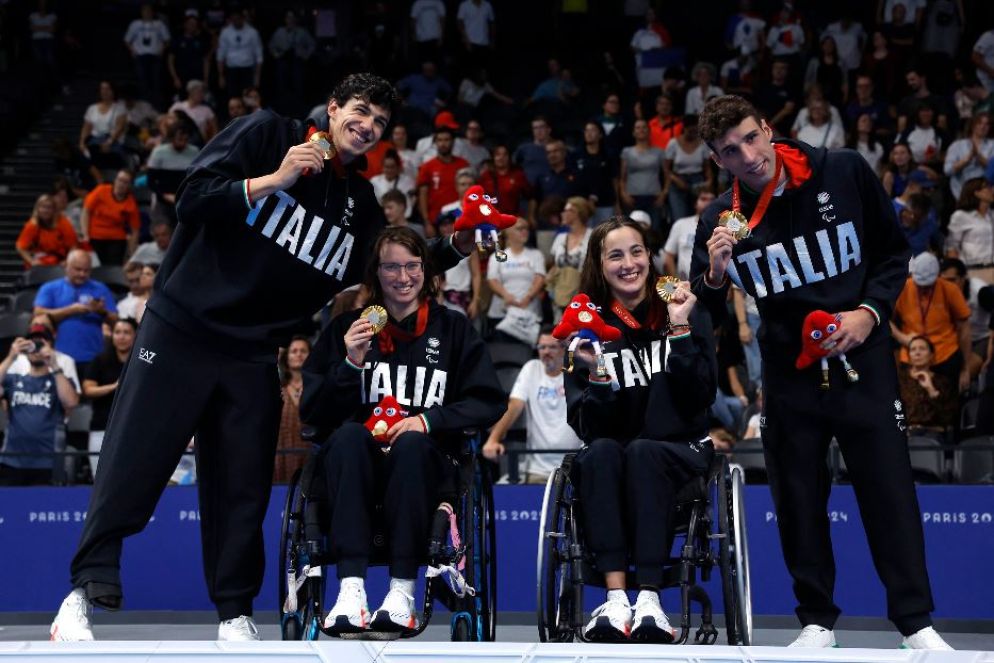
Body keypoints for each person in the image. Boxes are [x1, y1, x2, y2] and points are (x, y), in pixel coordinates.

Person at [49, 73, 474, 643]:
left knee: (242, 488)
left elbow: (398, 264)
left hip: (253, 355)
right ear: (331, 107)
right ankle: (80, 596)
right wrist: (276, 179)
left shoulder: (359, 203)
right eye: (360, 111)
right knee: (133, 464)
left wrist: (460, 245)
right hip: (181, 331)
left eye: (378, 122)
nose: (367, 126)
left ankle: (233, 613)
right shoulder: (266, 134)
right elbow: (195, 198)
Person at [692, 94, 951, 650]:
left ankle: (916, 624)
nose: (747, 156)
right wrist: (714, 272)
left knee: (890, 495)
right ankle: (816, 622)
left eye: (751, 138)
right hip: (789, 378)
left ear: (767, 128)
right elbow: (701, 311)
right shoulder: (719, 219)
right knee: (798, 499)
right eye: (730, 151)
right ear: (717, 159)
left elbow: (891, 252)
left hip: (865, 361)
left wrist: (870, 313)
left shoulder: (843, 169)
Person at [300, 226, 504, 634]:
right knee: (347, 436)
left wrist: (429, 419)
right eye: (391, 267)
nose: (403, 276)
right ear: (376, 273)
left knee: (412, 441)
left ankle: (401, 592)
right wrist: (351, 364)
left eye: (412, 265)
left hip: (425, 469)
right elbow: (313, 413)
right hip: (355, 470)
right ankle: (352, 591)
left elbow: (488, 401)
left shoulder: (453, 330)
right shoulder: (348, 329)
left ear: (427, 271)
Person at [564, 217, 716, 642]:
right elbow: (585, 425)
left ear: (650, 255)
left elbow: (701, 395)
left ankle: (649, 599)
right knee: (600, 454)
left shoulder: (682, 307)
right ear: (599, 264)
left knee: (644, 452)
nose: (629, 263)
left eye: (636, 251)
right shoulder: (586, 330)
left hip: (680, 449)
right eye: (615, 255)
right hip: (616, 455)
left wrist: (682, 328)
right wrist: (596, 376)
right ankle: (616, 601)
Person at [483, 328, 582, 483]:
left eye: (552, 347)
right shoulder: (532, 368)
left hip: (575, 467)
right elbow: (514, 406)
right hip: (537, 469)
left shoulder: (575, 370)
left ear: (564, 349)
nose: (546, 352)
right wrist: (493, 439)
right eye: (542, 347)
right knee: (501, 489)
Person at [0, 325, 79, 486]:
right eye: (32, 342)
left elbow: (71, 402)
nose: (36, 347)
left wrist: (54, 365)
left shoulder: (59, 380)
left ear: (50, 346)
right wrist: (10, 357)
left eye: (41, 343)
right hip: (12, 460)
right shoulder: (13, 379)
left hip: (47, 461)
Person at [891, 252, 972, 394]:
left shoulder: (950, 289)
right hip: (911, 353)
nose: (923, 289)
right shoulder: (903, 288)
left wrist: (965, 368)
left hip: (945, 354)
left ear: (937, 276)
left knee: (947, 403)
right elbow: (884, 318)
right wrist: (901, 338)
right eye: (919, 285)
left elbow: (964, 329)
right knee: (909, 403)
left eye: (928, 286)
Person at [33, 249, 118, 377]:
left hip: (94, 357)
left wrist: (102, 312)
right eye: (77, 269)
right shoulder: (50, 288)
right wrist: (70, 310)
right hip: (60, 357)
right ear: (66, 266)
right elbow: (38, 313)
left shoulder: (100, 288)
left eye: (87, 270)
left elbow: (115, 320)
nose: (82, 274)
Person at [84, 318, 137, 478]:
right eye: (117, 332)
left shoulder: (143, 360)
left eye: (127, 333)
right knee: (99, 478)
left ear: (136, 335)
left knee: (129, 478)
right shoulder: (100, 360)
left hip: (133, 429)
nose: (121, 337)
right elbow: (88, 390)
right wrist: (114, 386)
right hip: (102, 427)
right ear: (112, 336)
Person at [487, 217, 545, 331]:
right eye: (520, 228)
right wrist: (506, 295)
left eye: (526, 228)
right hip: (501, 313)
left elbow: (540, 278)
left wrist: (528, 297)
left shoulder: (536, 254)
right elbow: (492, 280)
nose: (525, 231)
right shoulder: (497, 256)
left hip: (529, 311)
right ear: (508, 232)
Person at [898, 335, 958, 435]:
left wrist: (931, 390)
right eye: (913, 350)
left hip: (934, 433)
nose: (917, 353)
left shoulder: (942, 382)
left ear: (931, 355)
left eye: (922, 349)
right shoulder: (900, 381)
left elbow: (948, 417)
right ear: (909, 357)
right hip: (906, 433)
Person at [417, 126, 469, 237]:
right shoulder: (427, 167)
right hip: (435, 222)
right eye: (440, 140)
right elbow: (422, 195)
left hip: (460, 218)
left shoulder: (463, 165)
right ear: (435, 142)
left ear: (453, 142)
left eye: (446, 140)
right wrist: (426, 223)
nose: (443, 143)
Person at [80, 170, 140, 266]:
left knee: (114, 265)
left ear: (129, 185)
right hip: (94, 237)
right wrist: (85, 234)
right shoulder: (101, 190)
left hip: (117, 239)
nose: (121, 184)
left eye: (125, 182)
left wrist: (132, 254)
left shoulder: (131, 203)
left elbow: (135, 230)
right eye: (119, 180)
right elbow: (86, 211)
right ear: (115, 180)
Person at [272, 335, 311, 484]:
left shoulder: (317, 388)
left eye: (303, 351)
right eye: (294, 351)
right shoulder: (277, 390)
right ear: (286, 357)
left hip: (308, 456)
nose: (299, 354)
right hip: (281, 456)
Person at [663, 115, 713, 223]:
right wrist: (676, 180)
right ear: (684, 128)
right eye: (690, 131)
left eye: (695, 131)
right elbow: (666, 168)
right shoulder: (673, 143)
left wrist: (709, 181)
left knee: (698, 218)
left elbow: (707, 167)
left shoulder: (702, 144)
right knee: (679, 218)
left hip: (697, 181)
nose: (692, 134)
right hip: (678, 182)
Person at [619, 120, 666, 231]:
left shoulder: (659, 152)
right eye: (638, 128)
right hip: (632, 197)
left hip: (654, 197)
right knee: (630, 229)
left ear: (649, 132)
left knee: (654, 230)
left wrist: (663, 194)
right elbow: (622, 177)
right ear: (633, 132)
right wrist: (623, 193)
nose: (641, 130)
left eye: (644, 127)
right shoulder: (627, 152)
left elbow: (667, 175)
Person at [945, 178, 994, 283]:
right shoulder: (960, 216)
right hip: (972, 272)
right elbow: (952, 248)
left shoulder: (992, 215)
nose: (992, 190)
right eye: (987, 187)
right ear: (976, 193)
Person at [122, 4, 170, 109]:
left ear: (152, 12)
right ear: (141, 12)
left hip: (155, 56)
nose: (147, 13)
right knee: (142, 81)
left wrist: (162, 50)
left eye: (149, 11)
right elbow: (127, 40)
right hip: (140, 56)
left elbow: (167, 39)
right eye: (145, 11)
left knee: (156, 81)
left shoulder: (159, 24)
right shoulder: (135, 24)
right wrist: (132, 50)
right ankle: (144, 104)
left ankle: (156, 105)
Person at [662, 189, 715, 281]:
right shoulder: (681, 224)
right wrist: (677, 285)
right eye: (703, 199)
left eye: (712, 200)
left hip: (713, 287)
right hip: (685, 285)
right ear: (695, 204)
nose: (708, 203)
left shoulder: (723, 227)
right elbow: (668, 259)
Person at [216, 9, 263, 107]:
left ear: (243, 18)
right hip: (231, 70)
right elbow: (221, 54)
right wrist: (221, 75)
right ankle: (234, 118)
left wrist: (257, 76)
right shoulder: (226, 32)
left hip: (247, 69)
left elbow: (258, 55)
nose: (236, 21)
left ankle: (249, 118)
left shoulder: (252, 32)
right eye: (234, 19)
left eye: (238, 19)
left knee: (248, 95)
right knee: (232, 96)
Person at [16, 194, 78, 268]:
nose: (45, 210)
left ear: (54, 210)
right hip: (39, 263)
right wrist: (32, 261)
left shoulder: (62, 222)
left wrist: (67, 261)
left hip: (59, 263)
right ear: (37, 209)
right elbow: (20, 247)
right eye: (43, 207)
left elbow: (73, 246)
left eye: (49, 207)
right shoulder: (32, 225)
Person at [943, 113, 993, 202]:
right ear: (972, 125)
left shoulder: (992, 145)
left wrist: (979, 158)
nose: (983, 126)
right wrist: (965, 161)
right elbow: (947, 170)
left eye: (987, 124)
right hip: (961, 194)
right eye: (980, 123)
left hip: (986, 194)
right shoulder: (957, 145)